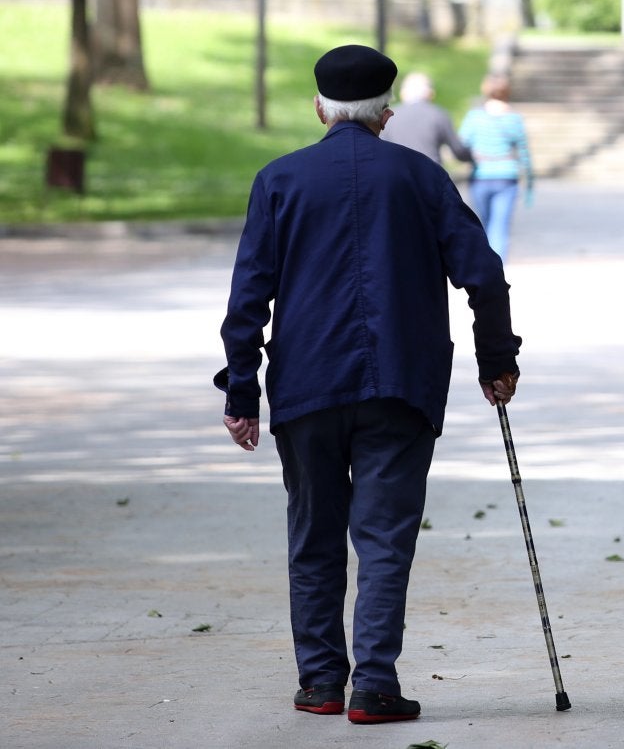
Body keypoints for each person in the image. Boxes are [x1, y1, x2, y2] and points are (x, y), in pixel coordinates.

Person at [216, 44, 522, 726]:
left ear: (319, 108)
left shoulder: (279, 180)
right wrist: (496, 360)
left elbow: (247, 301)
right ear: (387, 113)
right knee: (384, 537)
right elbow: (484, 275)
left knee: (314, 536)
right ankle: (375, 684)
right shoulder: (422, 177)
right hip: (400, 387)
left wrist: (242, 393)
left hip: (307, 386)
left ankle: (322, 680)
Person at [458, 74, 533, 262]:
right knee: (500, 228)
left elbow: (461, 144)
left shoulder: (474, 117)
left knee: (482, 225)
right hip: (507, 176)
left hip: (480, 176)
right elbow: (524, 153)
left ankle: (483, 266)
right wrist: (530, 182)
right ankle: (498, 270)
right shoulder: (514, 119)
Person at [380, 71, 474, 169]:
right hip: (431, 175)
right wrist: (473, 157)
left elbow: (380, 149)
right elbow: (458, 150)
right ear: (430, 93)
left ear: (403, 93)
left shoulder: (388, 116)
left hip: (398, 175)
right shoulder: (439, 114)